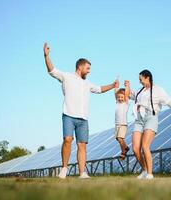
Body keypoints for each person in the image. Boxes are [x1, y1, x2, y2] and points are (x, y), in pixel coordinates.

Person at [43, 42, 116, 179]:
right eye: (87, 68)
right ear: (80, 67)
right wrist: (46, 56)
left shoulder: (87, 83)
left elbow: (100, 89)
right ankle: (64, 169)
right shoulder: (66, 76)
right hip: (69, 115)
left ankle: (82, 173)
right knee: (67, 140)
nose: (89, 71)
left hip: (83, 119)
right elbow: (52, 71)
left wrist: (112, 85)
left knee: (82, 145)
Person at [128, 69, 171, 180]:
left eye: (141, 79)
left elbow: (169, 102)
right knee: (135, 148)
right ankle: (144, 170)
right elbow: (130, 95)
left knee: (145, 146)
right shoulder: (139, 91)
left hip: (150, 118)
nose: (140, 82)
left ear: (147, 77)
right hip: (139, 119)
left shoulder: (158, 90)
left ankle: (150, 174)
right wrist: (126, 86)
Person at [114, 79, 130, 160]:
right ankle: (126, 147)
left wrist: (127, 86)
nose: (120, 98)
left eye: (122, 97)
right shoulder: (117, 103)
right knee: (117, 138)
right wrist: (116, 85)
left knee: (120, 138)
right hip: (117, 124)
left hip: (123, 124)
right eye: (119, 97)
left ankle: (123, 152)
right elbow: (115, 92)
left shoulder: (125, 104)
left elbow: (127, 94)